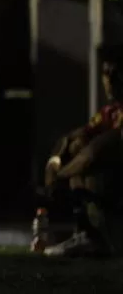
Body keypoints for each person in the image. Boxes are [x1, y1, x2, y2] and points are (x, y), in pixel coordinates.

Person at [33, 47, 123, 257]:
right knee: (76, 145)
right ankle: (89, 235)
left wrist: (60, 176)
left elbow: (97, 150)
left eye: (116, 73)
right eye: (106, 73)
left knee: (88, 160)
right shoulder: (111, 111)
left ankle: (99, 237)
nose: (109, 79)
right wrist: (54, 162)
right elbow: (70, 138)